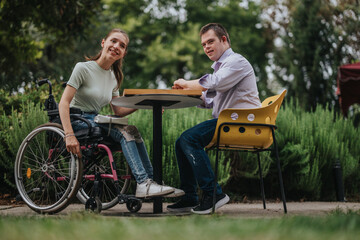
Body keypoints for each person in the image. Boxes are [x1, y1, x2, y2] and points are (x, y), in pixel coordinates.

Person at [59, 28, 181, 198]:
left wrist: (144, 103)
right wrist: (69, 135)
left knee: (133, 131)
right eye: (113, 41)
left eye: (122, 45)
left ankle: (151, 183)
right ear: (103, 42)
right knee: (124, 132)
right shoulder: (83, 68)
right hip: (77, 120)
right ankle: (143, 182)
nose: (117, 46)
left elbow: (118, 111)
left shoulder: (113, 78)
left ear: (123, 53)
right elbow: (63, 103)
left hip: (94, 119)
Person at [167, 23, 261, 214]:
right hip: (228, 122)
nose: (206, 47)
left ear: (224, 40)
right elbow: (209, 100)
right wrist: (185, 94)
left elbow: (214, 82)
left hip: (241, 123)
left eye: (210, 41)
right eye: (203, 44)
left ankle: (213, 194)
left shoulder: (236, 61)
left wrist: (186, 83)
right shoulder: (224, 67)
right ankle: (190, 197)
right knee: (180, 142)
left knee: (189, 138)